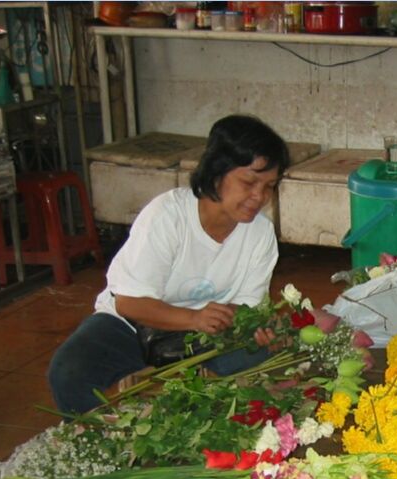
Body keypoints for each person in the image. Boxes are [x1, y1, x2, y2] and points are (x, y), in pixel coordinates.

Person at [48, 114, 291, 414]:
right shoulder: (168, 216)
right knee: (68, 372)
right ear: (217, 171)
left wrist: (254, 326)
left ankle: (213, 433)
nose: (260, 196)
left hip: (206, 333)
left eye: (269, 186)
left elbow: (247, 307)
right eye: (249, 182)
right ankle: (96, 448)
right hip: (132, 326)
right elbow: (128, 303)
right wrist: (192, 318)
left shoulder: (260, 233)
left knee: (264, 356)